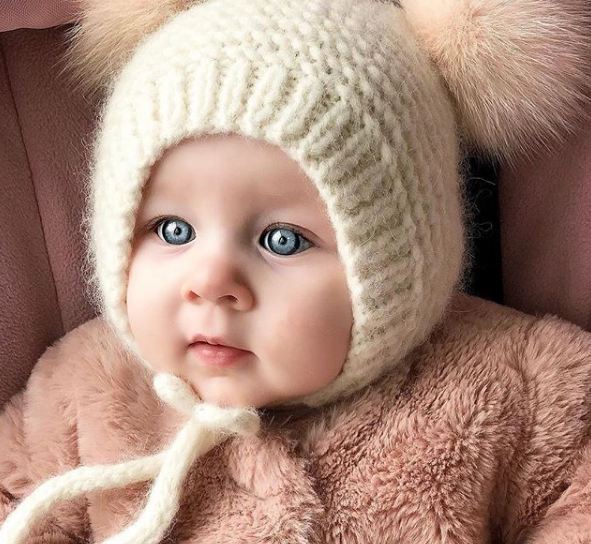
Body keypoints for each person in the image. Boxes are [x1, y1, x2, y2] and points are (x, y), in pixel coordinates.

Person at [1, 0, 591, 542]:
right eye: (174, 230)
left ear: (394, 267)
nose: (210, 282)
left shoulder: (507, 384)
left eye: (281, 240)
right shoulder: (88, 392)